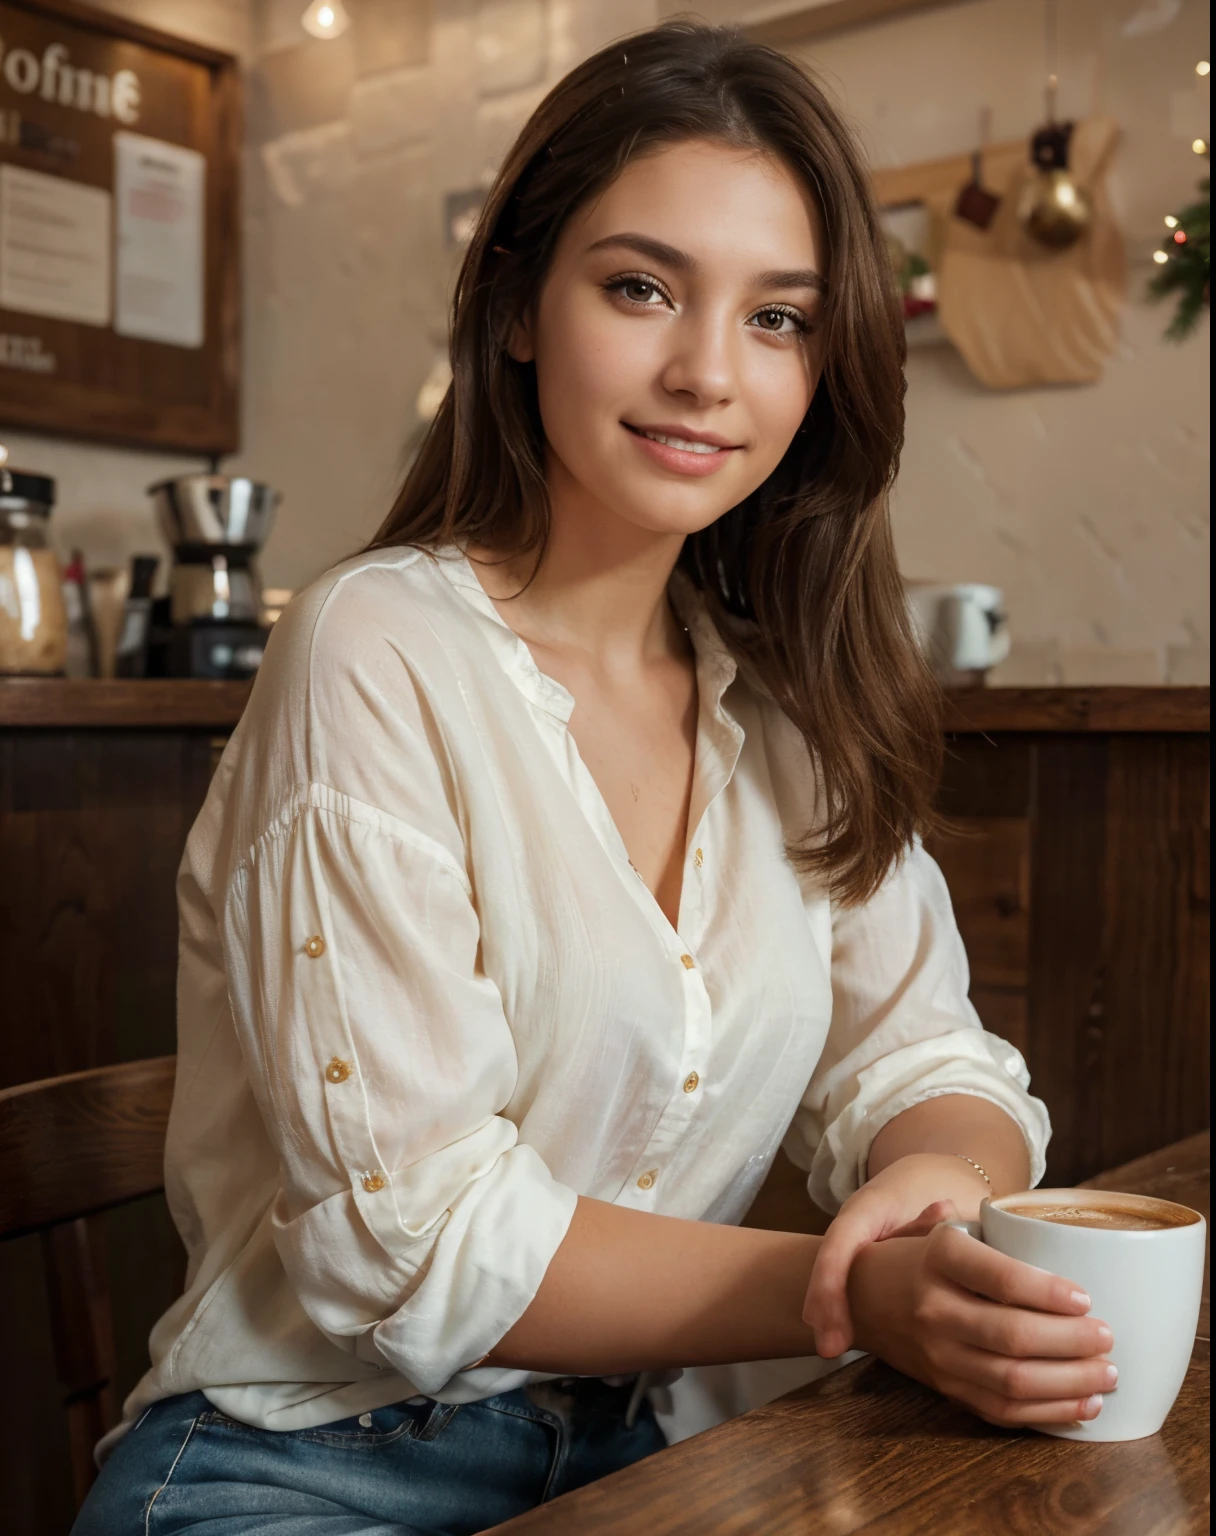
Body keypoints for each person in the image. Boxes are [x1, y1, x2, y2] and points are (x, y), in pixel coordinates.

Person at [74, 20, 1115, 1536]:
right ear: (516, 306)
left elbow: (929, 1064)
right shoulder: (374, 647)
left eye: (780, 319)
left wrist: (935, 1185)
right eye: (641, 288)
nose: (707, 372)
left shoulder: (794, 696)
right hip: (296, 1472)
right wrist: (853, 1291)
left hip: (642, 1459)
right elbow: (413, 1244)